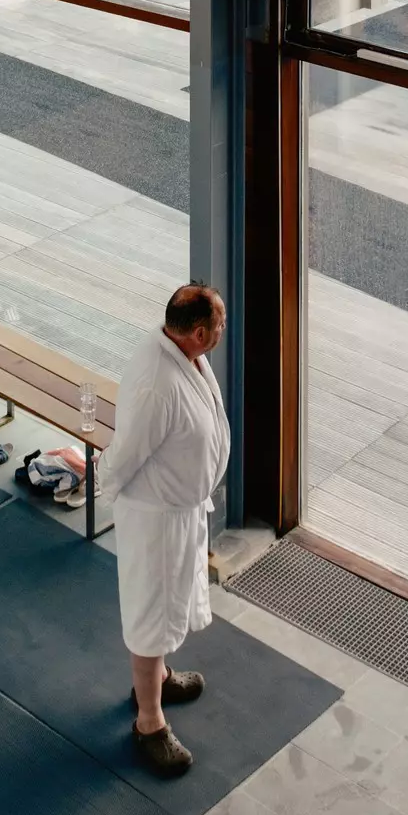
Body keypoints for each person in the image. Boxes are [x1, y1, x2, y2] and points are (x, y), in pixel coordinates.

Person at [104, 283, 231, 779]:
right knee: (150, 614)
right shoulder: (158, 380)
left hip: (179, 511)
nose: (223, 330)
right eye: (219, 324)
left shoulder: (186, 356)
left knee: (168, 602)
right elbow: (128, 450)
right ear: (199, 332)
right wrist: (99, 482)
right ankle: (149, 720)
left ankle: (156, 677)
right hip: (155, 517)